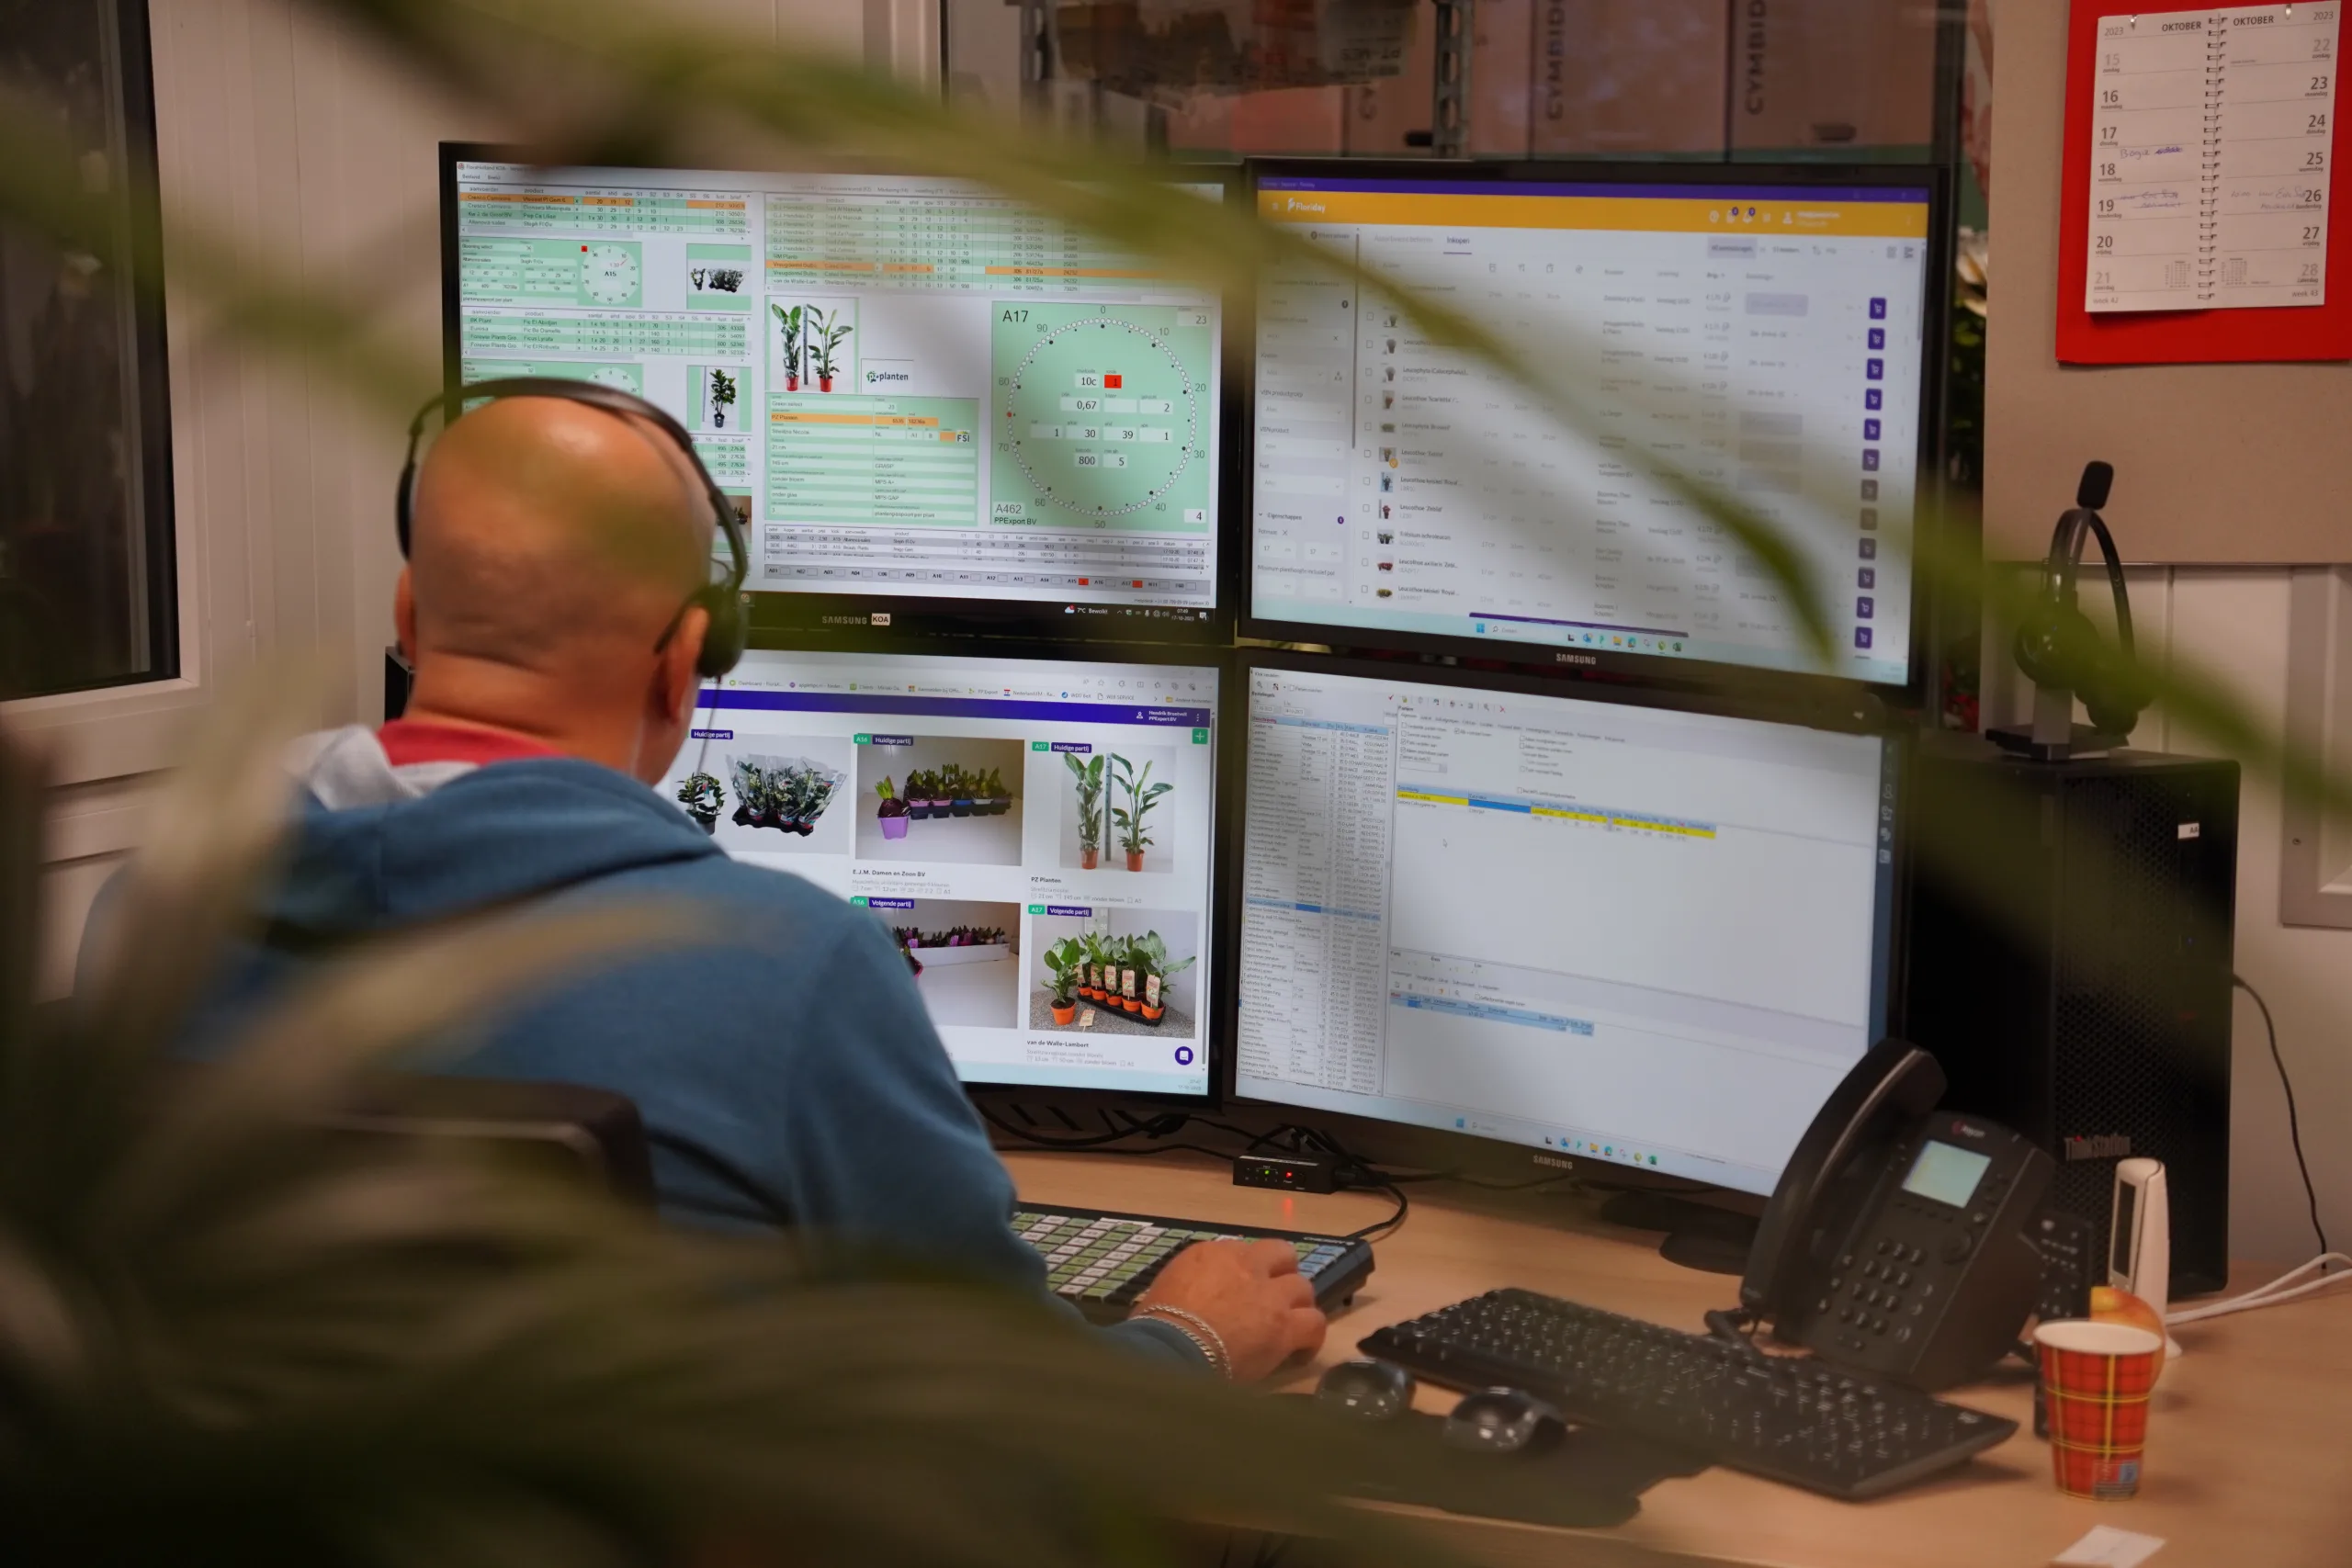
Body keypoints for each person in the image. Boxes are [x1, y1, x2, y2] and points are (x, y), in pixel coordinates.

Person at [96, 395, 1324, 1381]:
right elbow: (1014, 1416)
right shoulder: (787, 968)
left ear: (409, 618)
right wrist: (1191, 1338)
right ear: (686, 660)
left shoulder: (152, 919)